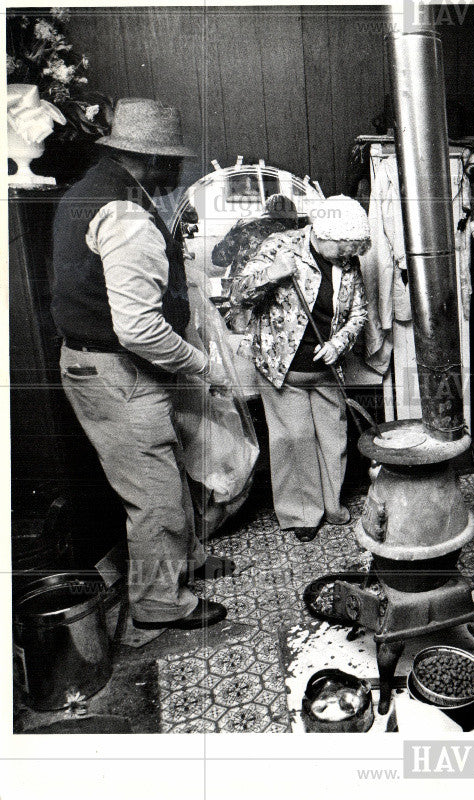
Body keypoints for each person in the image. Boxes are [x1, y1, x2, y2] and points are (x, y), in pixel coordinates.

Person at [51, 98, 232, 630]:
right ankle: (159, 603)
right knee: (153, 494)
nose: (177, 169)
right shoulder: (128, 215)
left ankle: (186, 564)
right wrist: (200, 364)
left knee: (165, 466)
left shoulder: (88, 191)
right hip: (117, 372)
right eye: (171, 159)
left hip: (98, 366)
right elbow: (138, 328)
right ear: (150, 160)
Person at [229, 196, 369, 542]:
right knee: (294, 440)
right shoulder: (279, 246)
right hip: (283, 370)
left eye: (353, 250)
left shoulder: (349, 262)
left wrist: (339, 343)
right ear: (321, 235)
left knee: (333, 439)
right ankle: (301, 514)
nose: (347, 257)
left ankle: (331, 505)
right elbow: (238, 293)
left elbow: (359, 312)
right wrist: (272, 274)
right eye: (342, 249)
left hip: (326, 369)